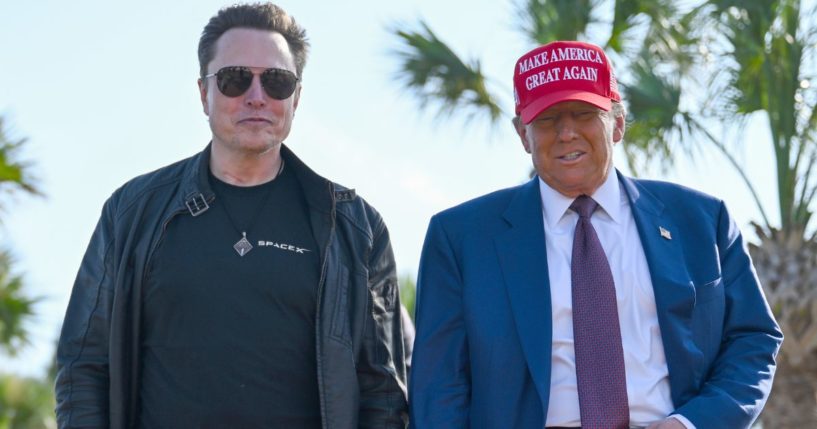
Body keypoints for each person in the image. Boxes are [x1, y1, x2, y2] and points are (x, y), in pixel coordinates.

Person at [55, 3, 408, 428]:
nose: (256, 96)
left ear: (296, 97)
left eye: (276, 82)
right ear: (204, 93)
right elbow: (84, 366)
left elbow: (383, 393)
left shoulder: (356, 228)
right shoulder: (131, 213)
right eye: (234, 79)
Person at [409, 40, 782, 429]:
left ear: (617, 123)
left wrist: (690, 424)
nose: (566, 133)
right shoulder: (461, 238)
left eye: (584, 113)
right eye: (547, 119)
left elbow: (753, 339)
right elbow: (438, 389)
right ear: (523, 135)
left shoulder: (702, 221)